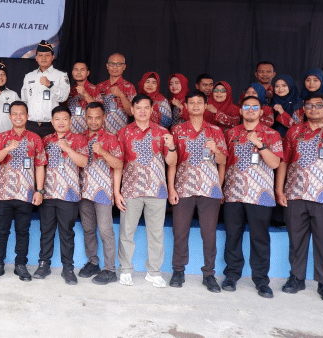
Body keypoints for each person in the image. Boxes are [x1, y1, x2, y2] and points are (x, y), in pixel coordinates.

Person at [275, 93, 323, 303]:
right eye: (309, 105)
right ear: (304, 108)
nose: (314, 108)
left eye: (319, 105)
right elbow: (284, 161)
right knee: (297, 240)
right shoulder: (295, 131)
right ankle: (296, 278)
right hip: (296, 193)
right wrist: (279, 190)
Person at [221, 95, 282, 298]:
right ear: (240, 111)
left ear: (261, 111)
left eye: (255, 107)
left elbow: (275, 163)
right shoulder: (230, 133)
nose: (250, 110)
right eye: (246, 106)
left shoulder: (272, 134)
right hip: (234, 193)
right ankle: (231, 276)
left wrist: (260, 144)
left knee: (260, 238)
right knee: (233, 236)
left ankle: (261, 281)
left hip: (260, 195)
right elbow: (223, 162)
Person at [168, 90, 227, 292]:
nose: (195, 106)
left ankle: (209, 274)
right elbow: (172, 162)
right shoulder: (177, 130)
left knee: (209, 234)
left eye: (199, 102)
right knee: (180, 232)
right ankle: (178, 271)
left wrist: (216, 151)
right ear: (185, 106)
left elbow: (223, 161)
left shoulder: (215, 130)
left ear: (205, 105)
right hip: (184, 187)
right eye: (191, 102)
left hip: (210, 189)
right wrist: (171, 188)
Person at [115, 94, 176, 288]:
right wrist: (117, 192)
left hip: (157, 190)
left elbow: (171, 162)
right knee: (127, 232)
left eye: (146, 107)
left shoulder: (162, 132)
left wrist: (171, 147)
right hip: (130, 190)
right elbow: (118, 165)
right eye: (138, 107)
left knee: (156, 234)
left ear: (152, 110)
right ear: (132, 110)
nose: (142, 111)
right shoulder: (123, 133)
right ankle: (125, 270)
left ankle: (154, 272)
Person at [0, 101, 46, 282]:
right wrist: (7, 148)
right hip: (4, 193)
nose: (18, 117)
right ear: (10, 116)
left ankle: (21, 264)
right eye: (15, 114)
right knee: (1, 230)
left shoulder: (35, 138)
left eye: (22, 113)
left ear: (27, 116)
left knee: (23, 231)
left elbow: (40, 165)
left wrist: (39, 190)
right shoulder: (2, 137)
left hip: (26, 194)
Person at [35, 106, 87, 285]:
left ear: (70, 121)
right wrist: (39, 190)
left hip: (69, 195)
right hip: (48, 194)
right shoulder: (46, 140)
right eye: (57, 119)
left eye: (65, 119)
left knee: (66, 233)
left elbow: (83, 162)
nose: (61, 122)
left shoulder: (79, 139)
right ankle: (44, 264)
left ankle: (68, 268)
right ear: (52, 121)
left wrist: (67, 148)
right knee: (46, 231)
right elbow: (39, 165)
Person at [76, 102, 123, 285]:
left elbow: (119, 164)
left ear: (104, 118)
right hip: (83, 191)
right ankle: (93, 262)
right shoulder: (79, 137)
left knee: (105, 231)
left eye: (97, 117)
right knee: (88, 229)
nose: (93, 121)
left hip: (103, 192)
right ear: (85, 118)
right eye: (90, 117)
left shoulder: (111, 138)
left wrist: (102, 152)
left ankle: (110, 270)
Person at [21, 40, 70, 138]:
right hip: (31, 124)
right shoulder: (29, 76)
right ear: (36, 58)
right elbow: (24, 100)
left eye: (47, 55)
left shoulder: (61, 75)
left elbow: (64, 97)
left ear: (53, 57)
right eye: (40, 55)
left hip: (51, 125)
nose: (43, 58)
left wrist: (50, 85)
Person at [95, 53, 135, 135]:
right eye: (112, 64)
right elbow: (94, 111)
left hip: (122, 132)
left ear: (124, 67)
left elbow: (131, 112)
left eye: (118, 64)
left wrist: (121, 95)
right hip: (102, 132)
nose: (115, 67)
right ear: (107, 66)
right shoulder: (99, 87)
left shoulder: (129, 87)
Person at [66, 60, 99, 134]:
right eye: (76, 69)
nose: (78, 72)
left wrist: (85, 94)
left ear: (87, 73)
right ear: (72, 72)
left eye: (82, 70)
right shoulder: (69, 91)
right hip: (71, 132)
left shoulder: (95, 89)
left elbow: (99, 110)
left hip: (89, 130)